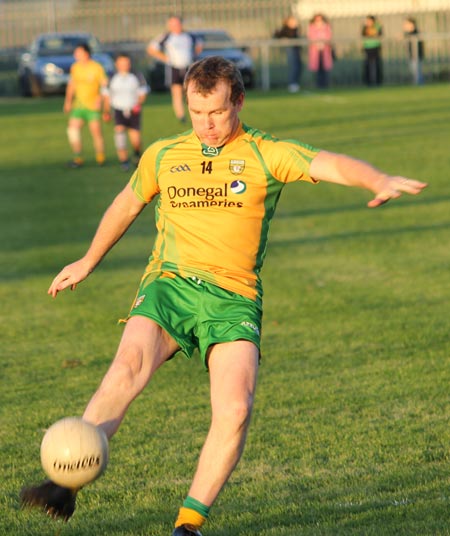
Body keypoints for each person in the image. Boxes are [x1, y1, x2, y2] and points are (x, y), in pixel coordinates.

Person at [20, 56, 427, 536]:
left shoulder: (263, 152)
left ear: (238, 101)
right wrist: (88, 260)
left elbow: (330, 162)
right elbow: (127, 202)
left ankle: (188, 526)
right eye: (196, 113)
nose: (207, 125)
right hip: (168, 285)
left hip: (233, 297)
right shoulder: (164, 154)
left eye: (216, 112)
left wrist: (376, 178)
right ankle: (65, 482)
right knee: (127, 366)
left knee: (235, 408)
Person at [147, 15, 203, 122]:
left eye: (177, 23)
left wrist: (194, 56)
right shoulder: (166, 37)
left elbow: (199, 45)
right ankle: (181, 116)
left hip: (188, 67)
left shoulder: (189, 35)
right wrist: (165, 58)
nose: (176, 26)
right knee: (177, 91)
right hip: (174, 68)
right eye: (173, 24)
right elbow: (151, 49)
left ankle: (195, 112)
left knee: (191, 91)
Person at [64, 43, 109, 168]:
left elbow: (104, 85)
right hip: (78, 106)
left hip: (93, 107)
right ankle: (78, 158)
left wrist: (100, 99)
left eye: (78, 52)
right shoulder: (75, 67)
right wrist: (67, 102)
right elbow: (72, 85)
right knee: (72, 130)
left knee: (96, 132)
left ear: (86, 53)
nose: (76, 55)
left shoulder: (96, 68)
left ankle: (100, 157)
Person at [102, 53, 150, 171]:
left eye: (126, 63)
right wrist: (106, 111)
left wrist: (138, 104)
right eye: (121, 63)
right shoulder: (112, 76)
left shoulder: (136, 75)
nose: (124, 66)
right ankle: (124, 161)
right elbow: (107, 95)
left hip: (133, 109)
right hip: (118, 109)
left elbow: (142, 93)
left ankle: (137, 154)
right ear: (116, 64)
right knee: (119, 132)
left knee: (136, 139)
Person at [273, 15, 302, 93]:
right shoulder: (286, 29)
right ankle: (292, 84)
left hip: (296, 50)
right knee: (293, 66)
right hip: (291, 50)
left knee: (298, 66)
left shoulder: (296, 29)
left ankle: (295, 83)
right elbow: (277, 36)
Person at [307, 13, 334, 89]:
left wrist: (324, 43)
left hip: (325, 50)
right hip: (315, 50)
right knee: (316, 68)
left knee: (325, 68)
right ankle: (317, 84)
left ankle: (326, 84)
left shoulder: (326, 27)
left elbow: (329, 36)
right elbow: (311, 37)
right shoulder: (312, 27)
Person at [362, 15, 383, 87]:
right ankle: (368, 82)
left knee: (376, 65)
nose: (368, 22)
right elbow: (363, 35)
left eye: (369, 21)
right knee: (367, 65)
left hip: (375, 48)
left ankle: (377, 81)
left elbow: (379, 32)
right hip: (367, 48)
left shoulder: (376, 27)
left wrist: (376, 24)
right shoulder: (365, 28)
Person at [403, 16, 425, 85]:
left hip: (417, 55)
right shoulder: (408, 33)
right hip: (412, 55)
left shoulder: (415, 32)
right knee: (414, 71)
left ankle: (419, 84)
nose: (405, 26)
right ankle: (418, 83)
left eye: (407, 24)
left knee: (417, 71)